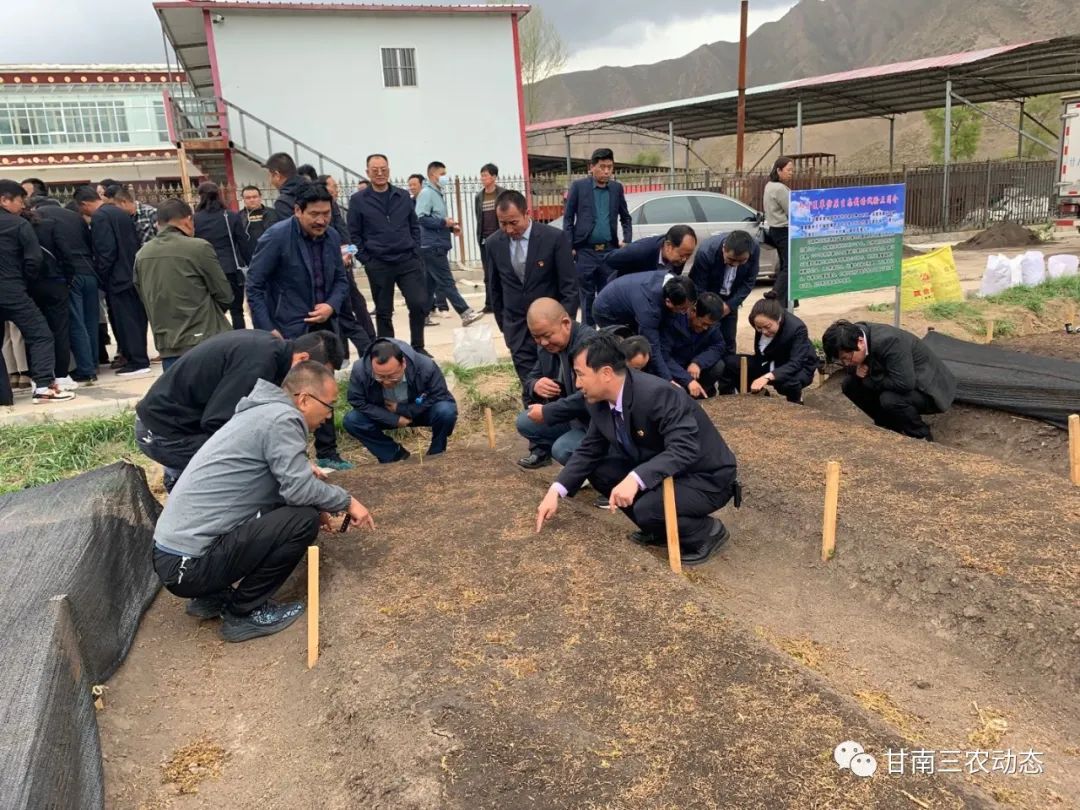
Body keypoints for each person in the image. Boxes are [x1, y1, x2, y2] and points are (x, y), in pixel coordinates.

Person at [152, 361, 375, 642]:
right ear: (304, 400)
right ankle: (244, 613)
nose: (330, 415)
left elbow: (274, 482)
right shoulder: (283, 418)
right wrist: (346, 500)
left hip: (173, 557)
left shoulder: (260, 413)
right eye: (329, 405)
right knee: (302, 520)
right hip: (188, 567)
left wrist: (309, 485)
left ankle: (212, 596)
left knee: (297, 509)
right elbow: (297, 490)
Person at [534, 333, 738, 566]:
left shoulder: (656, 394)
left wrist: (636, 478)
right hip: (663, 469)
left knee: (647, 508)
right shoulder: (599, 402)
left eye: (580, 374)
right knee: (600, 469)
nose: (577, 383)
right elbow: (589, 450)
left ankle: (706, 532)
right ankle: (657, 528)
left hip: (705, 476)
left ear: (606, 373)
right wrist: (555, 491)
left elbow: (684, 448)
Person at [135, 329, 342, 491]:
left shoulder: (272, 353)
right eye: (319, 375)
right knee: (254, 470)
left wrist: (293, 460)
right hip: (165, 433)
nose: (319, 383)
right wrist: (285, 464)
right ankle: (182, 483)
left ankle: (181, 477)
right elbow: (221, 423)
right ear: (303, 359)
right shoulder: (260, 360)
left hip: (181, 425)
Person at [246, 182, 352, 471]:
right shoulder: (276, 237)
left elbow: (342, 281)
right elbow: (254, 285)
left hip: (325, 329)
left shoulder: (331, 237)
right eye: (314, 214)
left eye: (326, 213)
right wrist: (269, 329)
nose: (321, 220)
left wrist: (331, 304)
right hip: (288, 329)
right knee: (293, 395)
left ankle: (328, 452)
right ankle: (294, 459)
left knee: (325, 388)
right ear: (297, 211)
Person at [486, 189, 578, 388]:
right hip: (517, 328)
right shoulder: (494, 244)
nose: (509, 229)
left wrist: (565, 324)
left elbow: (569, 286)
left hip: (551, 328)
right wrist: (506, 327)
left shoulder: (553, 238)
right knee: (531, 384)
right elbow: (494, 288)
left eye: (513, 222)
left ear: (527, 213)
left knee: (557, 383)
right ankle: (533, 415)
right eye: (503, 223)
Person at [134, 198, 233, 373]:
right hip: (205, 340)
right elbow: (225, 295)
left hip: (167, 344)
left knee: (180, 397)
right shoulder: (198, 247)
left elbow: (143, 296)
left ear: (159, 224)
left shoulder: (142, 254)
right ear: (187, 220)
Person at [347, 154, 429, 354]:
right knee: (384, 311)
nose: (380, 173)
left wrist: (415, 250)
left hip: (407, 260)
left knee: (418, 303)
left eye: (383, 169)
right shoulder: (358, 200)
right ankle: (388, 352)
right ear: (368, 172)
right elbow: (354, 234)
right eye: (375, 170)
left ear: (389, 170)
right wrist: (366, 259)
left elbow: (414, 226)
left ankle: (418, 347)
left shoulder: (402, 196)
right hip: (378, 263)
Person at [0, 181, 74, 402]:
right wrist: (24, 282)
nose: (22, 206)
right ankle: (43, 386)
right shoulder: (18, 224)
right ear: (4, 200)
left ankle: (3, 396)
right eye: (19, 201)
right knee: (40, 334)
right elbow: (34, 259)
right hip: (13, 289)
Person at [822, 320, 957, 441]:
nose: (846, 363)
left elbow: (904, 383)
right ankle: (889, 426)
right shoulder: (852, 335)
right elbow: (853, 366)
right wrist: (855, 370)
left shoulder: (890, 341)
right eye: (842, 360)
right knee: (850, 385)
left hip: (929, 388)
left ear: (860, 342)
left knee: (890, 399)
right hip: (897, 378)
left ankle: (920, 435)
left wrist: (869, 379)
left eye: (847, 358)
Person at [344, 338, 458, 463]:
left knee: (446, 410)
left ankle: (437, 452)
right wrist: (392, 418)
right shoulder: (360, 370)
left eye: (392, 376)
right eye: (380, 377)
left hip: (420, 411)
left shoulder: (425, 366)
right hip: (384, 414)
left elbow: (439, 394)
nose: (387, 382)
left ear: (403, 363)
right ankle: (394, 454)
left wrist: (403, 409)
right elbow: (356, 400)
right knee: (353, 420)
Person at [515, 299, 595, 469]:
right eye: (536, 337)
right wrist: (535, 385)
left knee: (563, 449)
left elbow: (590, 395)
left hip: (596, 423)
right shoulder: (547, 346)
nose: (543, 342)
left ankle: (602, 477)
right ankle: (578, 464)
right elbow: (530, 379)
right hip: (572, 416)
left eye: (547, 335)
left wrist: (548, 411)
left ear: (566, 323)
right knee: (524, 421)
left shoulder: (589, 345)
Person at [563, 148, 632, 325]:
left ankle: (608, 334)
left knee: (608, 294)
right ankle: (589, 335)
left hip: (609, 251)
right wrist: (569, 245)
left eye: (610, 167)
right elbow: (568, 218)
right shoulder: (579, 187)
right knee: (586, 298)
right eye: (602, 167)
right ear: (591, 167)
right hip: (585, 251)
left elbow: (625, 217)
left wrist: (627, 240)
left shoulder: (616, 189)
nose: (607, 171)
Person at [35, 191, 98, 383]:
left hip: (71, 275)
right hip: (90, 272)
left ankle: (86, 369)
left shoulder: (41, 218)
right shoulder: (75, 216)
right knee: (91, 321)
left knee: (75, 323)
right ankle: (94, 362)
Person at [592, 271, 697, 383]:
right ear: (668, 302)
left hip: (629, 299)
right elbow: (653, 347)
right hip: (606, 311)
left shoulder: (677, 284)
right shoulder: (650, 310)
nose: (685, 313)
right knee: (630, 350)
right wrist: (668, 379)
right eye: (682, 309)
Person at [415, 160, 483, 328]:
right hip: (432, 246)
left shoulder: (437, 193)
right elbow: (421, 218)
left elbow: (437, 220)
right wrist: (444, 223)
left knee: (429, 284)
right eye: (442, 174)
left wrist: (451, 227)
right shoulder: (427, 193)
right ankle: (465, 312)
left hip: (436, 244)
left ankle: (420, 315)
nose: (445, 177)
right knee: (446, 281)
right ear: (432, 175)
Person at [91, 185, 150, 376]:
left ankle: (137, 361)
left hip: (117, 276)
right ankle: (138, 358)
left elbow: (106, 250)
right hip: (131, 272)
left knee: (126, 320)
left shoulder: (101, 216)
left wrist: (102, 273)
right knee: (136, 318)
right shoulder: (122, 214)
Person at [318, 173, 376, 358]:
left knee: (353, 308)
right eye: (333, 186)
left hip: (342, 266)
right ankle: (347, 354)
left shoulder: (333, 208)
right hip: (330, 268)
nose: (337, 189)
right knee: (344, 313)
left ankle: (368, 347)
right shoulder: (323, 210)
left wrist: (348, 251)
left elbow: (344, 234)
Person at [23, 200, 77, 391]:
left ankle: (38, 375)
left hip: (29, 285)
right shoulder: (49, 225)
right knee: (60, 329)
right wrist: (68, 278)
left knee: (33, 332)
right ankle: (61, 374)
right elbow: (66, 254)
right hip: (54, 282)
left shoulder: (17, 228)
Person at [726, 298, 818, 402]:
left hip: (798, 366)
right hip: (770, 361)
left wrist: (767, 377)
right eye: (759, 328)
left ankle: (796, 404)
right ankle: (758, 396)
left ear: (778, 319)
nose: (764, 331)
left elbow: (796, 363)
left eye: (767, 327)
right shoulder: (757, 321)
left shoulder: (797, 328)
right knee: (730, 363)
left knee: (790, 384)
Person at [688, 230, 759, 355]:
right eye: (731, 260)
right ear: (723, 249)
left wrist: (730, 305)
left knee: (728, 341)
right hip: (708, 300)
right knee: (706, 338)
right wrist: (710, 309)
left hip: (731, 299)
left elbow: (749, 281)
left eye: (741, 261)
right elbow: (699, 286)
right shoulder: (706, 253)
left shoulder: (754, 249)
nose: (735, 265)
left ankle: (728, 371)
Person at [193, 181, 250, 330]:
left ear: (200, 197)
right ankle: (240, 341)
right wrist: (250, 264)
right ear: (219, 195)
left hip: (207, 269)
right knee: (237, 311)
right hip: (231, 267)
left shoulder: (195, 219)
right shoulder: (230, 216)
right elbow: (243, 242)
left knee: (213, 312)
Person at [661, 291, 727, 398]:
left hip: (695, 368)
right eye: (704, 323)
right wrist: (687, 380)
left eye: (709, 325)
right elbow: (664, 356)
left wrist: (698, 362)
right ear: (693, 311)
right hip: (676, 368)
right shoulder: (673, 321)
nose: (705, 328)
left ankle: (701, 393)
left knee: (718, 366)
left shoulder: (711, 326)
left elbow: (719, 345)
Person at [603, 225, 697, 279]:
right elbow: (609, 259)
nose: (684, 259)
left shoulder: (680, 257)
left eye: (688, 255)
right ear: (668, 246)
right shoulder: (640, 251)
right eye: (682, 255)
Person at [763, 156, 795, 306]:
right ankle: (775, 294)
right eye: (788, 170)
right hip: (784, 229)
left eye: (792, 170)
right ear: (778, 170)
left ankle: (789, 301)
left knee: (784, 265)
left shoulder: (769, 185)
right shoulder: (780, 189)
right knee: (789, 266)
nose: (791, 173)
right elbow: (792, 210)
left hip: (774, 230)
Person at [474, 163, 506, 313]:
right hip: (484, 239)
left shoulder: (503, 194)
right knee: (488, 274)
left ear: (494, 177)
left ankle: (504, 301)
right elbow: (478, 217)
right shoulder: (479, 197)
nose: (483, 178)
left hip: (500, 238)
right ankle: (489, 303)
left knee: (502, 271)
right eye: (482, 175)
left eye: (485, 175)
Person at [100, 180, 158, 246]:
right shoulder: (117, 218)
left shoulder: (150, 213)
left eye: (113, 205)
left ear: (123, 202)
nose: (111, 209)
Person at [265, 152, 310, 219]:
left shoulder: (283, 203)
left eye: (270, 176)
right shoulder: (316, 189)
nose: (270, 180)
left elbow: (291, 228)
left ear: (277, 175)